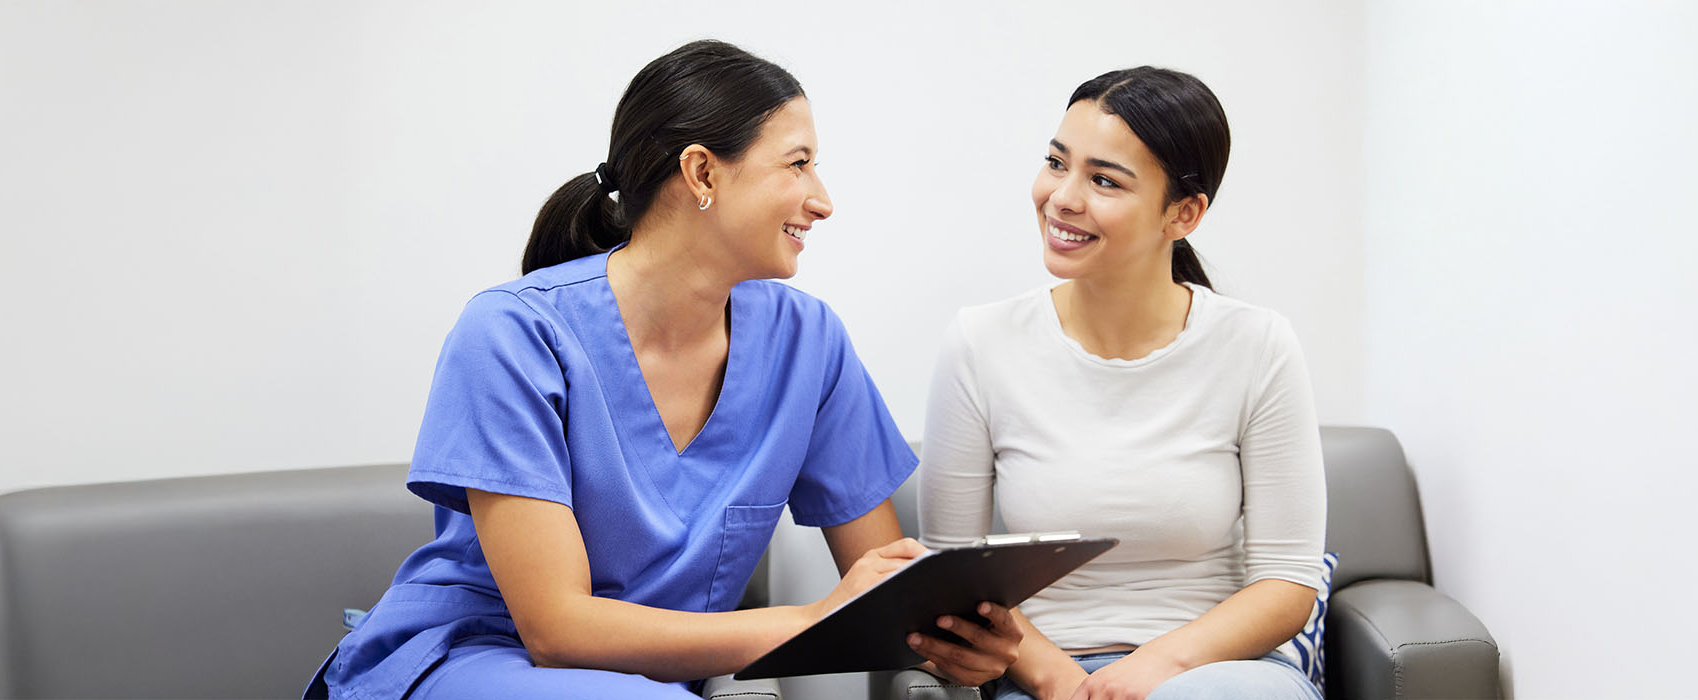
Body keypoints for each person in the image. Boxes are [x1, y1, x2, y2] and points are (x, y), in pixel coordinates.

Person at [307, 40, 1019, 700]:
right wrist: (813, 620)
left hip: (649, 683)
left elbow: (884, 590)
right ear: (703, 171)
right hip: (481, 657)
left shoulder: (807, 341)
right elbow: (556, 633)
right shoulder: (513, 334)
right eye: (798, 164)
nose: (822, 199)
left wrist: (948, 642)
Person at [916, 67, 1328, 700]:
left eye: (1104, 180)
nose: (1062, 197)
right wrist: (1063, 684)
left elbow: (1286, 583)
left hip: (1215, 676)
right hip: (1044, 675)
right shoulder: (981, 343)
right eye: (1058, 163)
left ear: (1183, 214)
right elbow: (953, 577)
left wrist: (1154, 670)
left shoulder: (1257, 345)